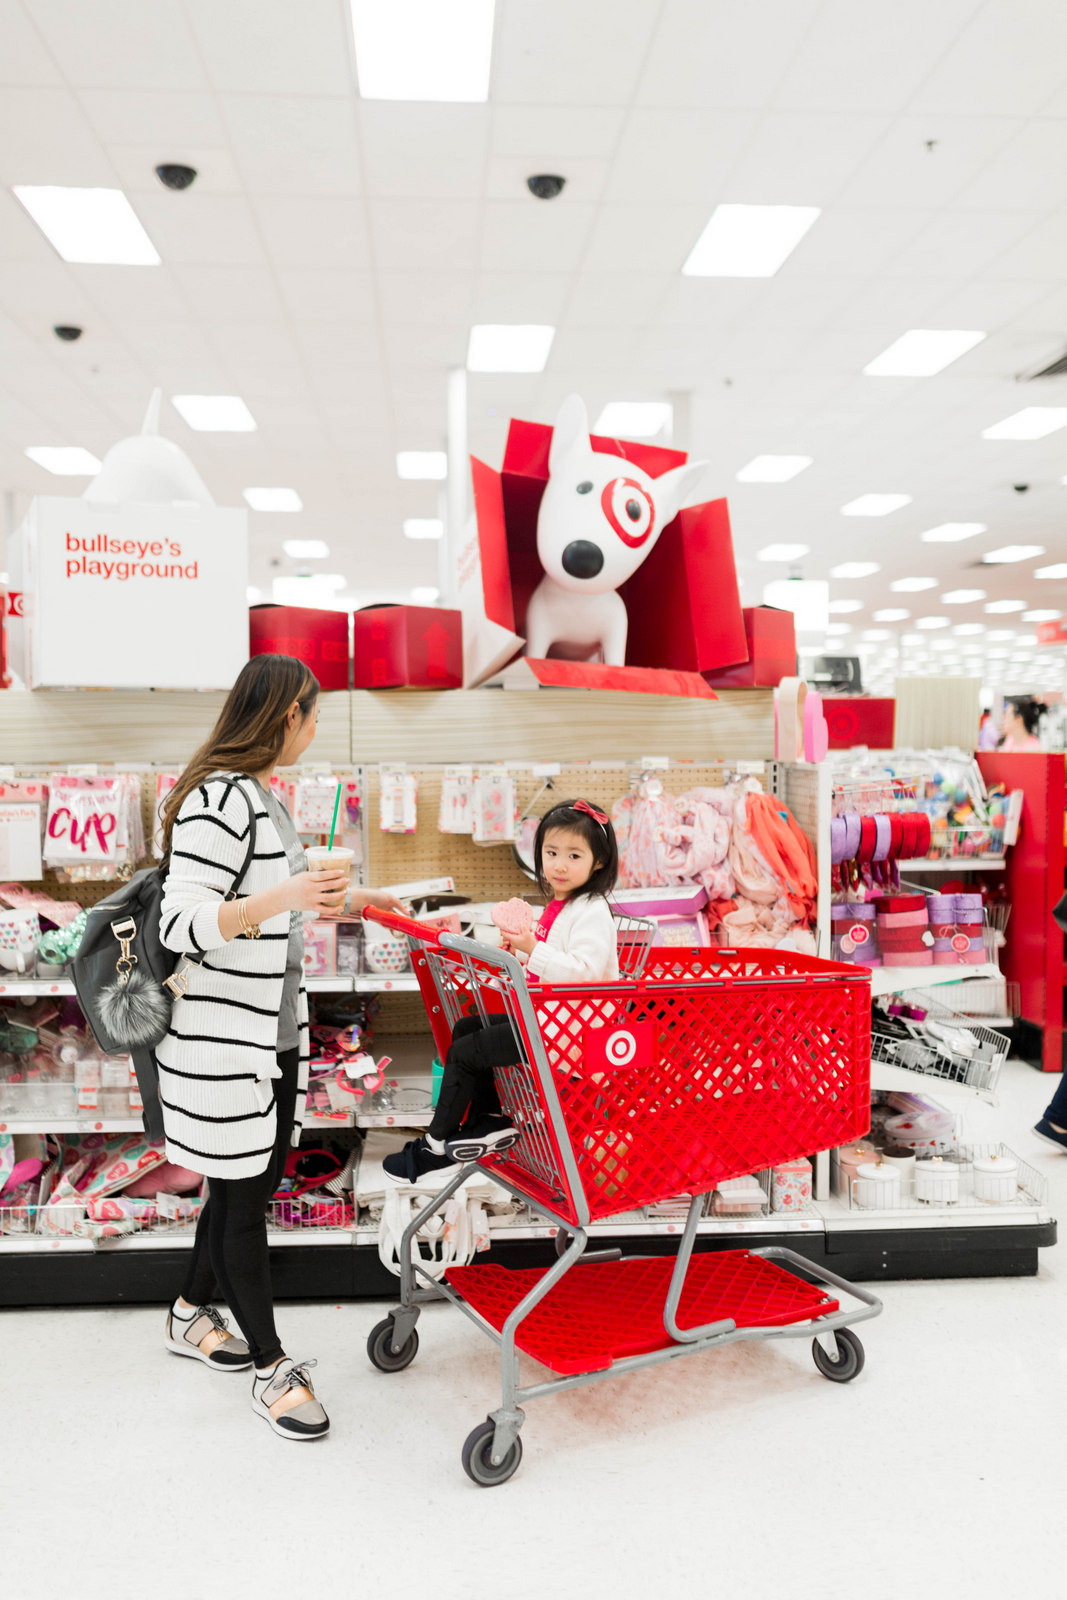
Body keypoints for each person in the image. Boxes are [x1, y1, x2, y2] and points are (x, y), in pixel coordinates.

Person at [156, 654, 403, 1441]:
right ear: (286, 715)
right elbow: (181, 922)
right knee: (240, 1198)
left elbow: (290, 896)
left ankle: (188, 1313)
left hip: (273, 1032)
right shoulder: (215, 800)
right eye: (313, 717)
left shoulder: (262, 797)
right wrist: (284, 896)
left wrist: (361, 900)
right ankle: (271, 1367)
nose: (314, 731)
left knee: (247, 1187)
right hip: (225, 1039)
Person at [383, 798, 620, 1184]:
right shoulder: (562, 904)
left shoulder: (591, 910)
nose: (560, 865)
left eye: (574, 855)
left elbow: (584, 973)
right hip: (548, 1023)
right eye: (551, 852)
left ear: (599, 862)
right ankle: (489, 1120)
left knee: (465, 1053)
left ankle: (435, 1147)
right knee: (467, 1027)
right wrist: (519, 953)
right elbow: (550, 962)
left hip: (571, 1036)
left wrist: (531, 949)